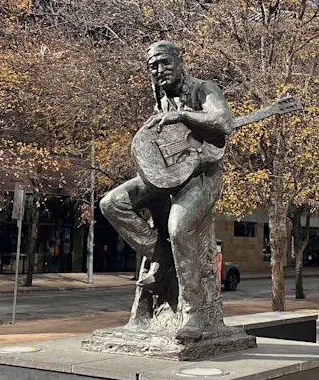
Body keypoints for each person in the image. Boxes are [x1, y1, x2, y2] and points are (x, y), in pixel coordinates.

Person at [99, 40, 233, 340]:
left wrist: (183, 115)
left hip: (203, 177)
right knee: (112, 203)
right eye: (153, 66)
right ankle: (162, 255)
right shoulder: (160, 99)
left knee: (178, 226)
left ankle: (194, 313)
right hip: (170, 176)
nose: (159, 70)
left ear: (179, 60)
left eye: (164, 62)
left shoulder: (204, 89)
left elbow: (223, 122)